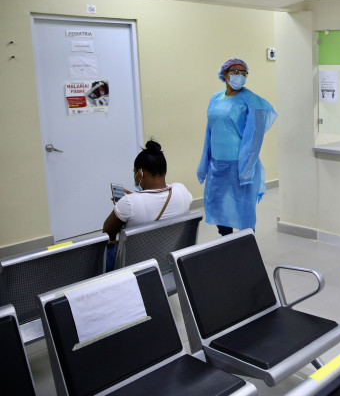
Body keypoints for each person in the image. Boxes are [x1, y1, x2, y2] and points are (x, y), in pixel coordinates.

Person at [197, 58, 277, 236]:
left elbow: (255, 138)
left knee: (243, 211)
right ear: (224, 74)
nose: (239, 76)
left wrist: (246, 168)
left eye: (243, 73)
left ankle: (246, 246)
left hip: (240, 165)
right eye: (235, 71)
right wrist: (205, 162)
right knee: (219, 209)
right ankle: (227, 242)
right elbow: (209, 132)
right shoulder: (215, 99)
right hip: (217, 165)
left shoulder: (251, 100)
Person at [103, 140, 193, 271]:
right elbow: (156, 201)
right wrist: (133, 197)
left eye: (134, 172)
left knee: (107, 251)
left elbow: (107, 234)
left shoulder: (128, 203)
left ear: (140, 173)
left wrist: (124, 204)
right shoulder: (182, 191)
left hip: (137, 267)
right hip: (171, 261)